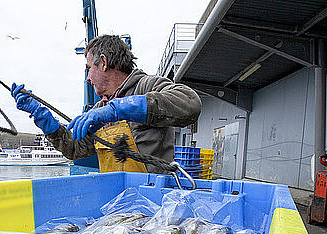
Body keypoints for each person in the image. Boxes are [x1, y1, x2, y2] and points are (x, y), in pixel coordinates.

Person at [11, 34, 202, 174]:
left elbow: (191, 104)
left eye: (89, 68)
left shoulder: (147, 85)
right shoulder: (98, 109)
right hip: (115, 198)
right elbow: (75, 148)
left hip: (151, 200)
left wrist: (118, 109)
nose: (87, 78)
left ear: (103, 62)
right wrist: (44, 120)